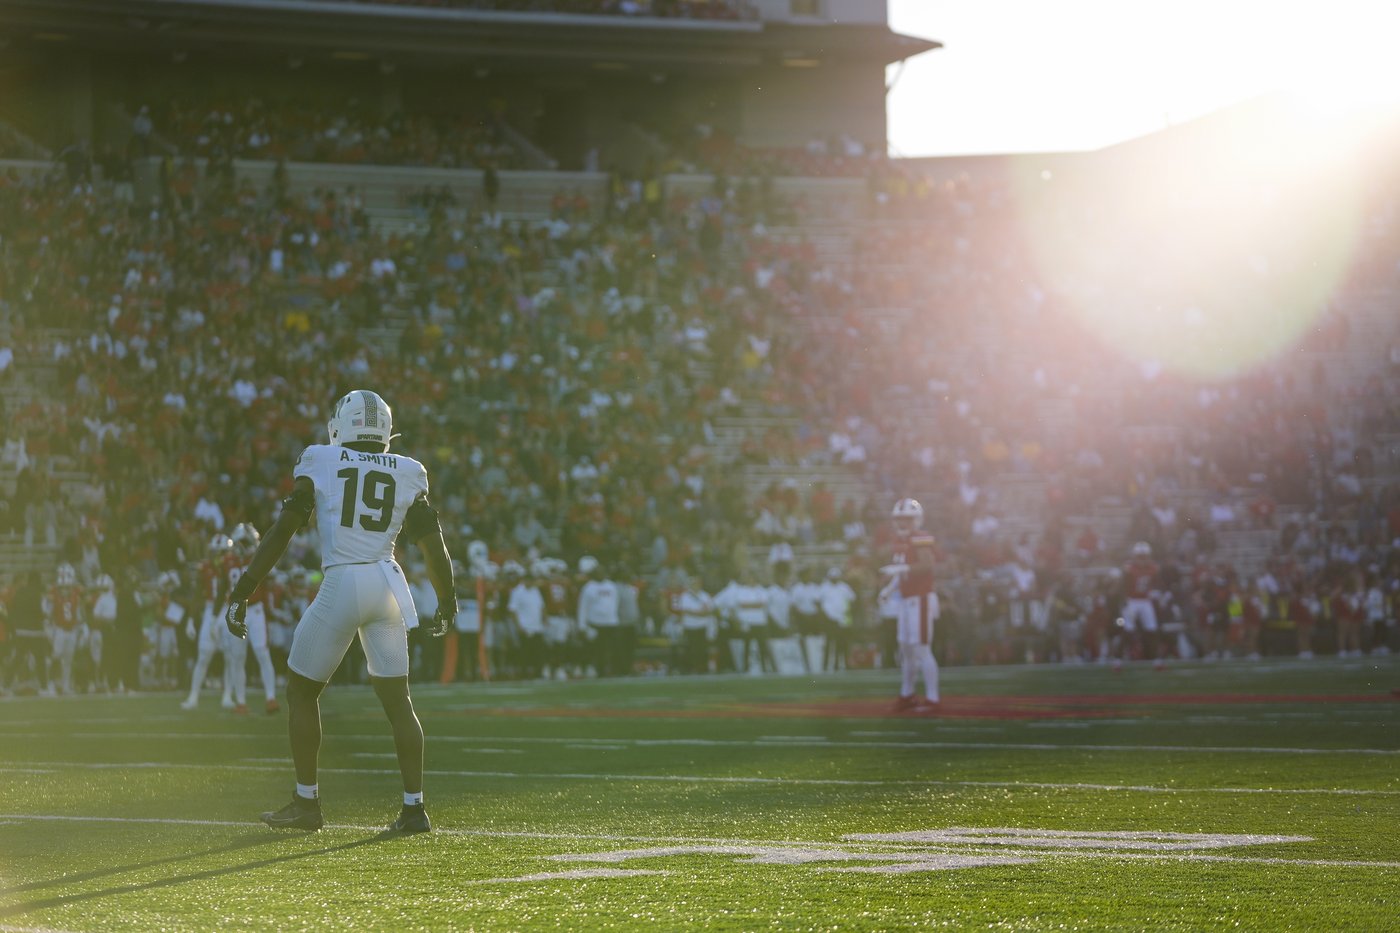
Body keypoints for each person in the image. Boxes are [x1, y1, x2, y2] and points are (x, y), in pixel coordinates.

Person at [224, 390, 456, 834]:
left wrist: (244, 587)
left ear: (340, 426)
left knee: (301, 692)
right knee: (399, 702)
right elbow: (433, 544)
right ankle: (414, 809)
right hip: (387, 585)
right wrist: (448, 601)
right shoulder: (408, 470)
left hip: (343, 582)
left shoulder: (321, 459)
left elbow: (284, 529)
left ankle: (306, 803)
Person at [883, 498, 939, 711]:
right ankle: (907, 694)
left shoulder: (920, 537)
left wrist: (902, 569)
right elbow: (901, 574)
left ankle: (933, 698)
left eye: (907, 518)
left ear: (916, 519)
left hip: (920, 598)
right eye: (899, 519)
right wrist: (888, 589)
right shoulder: (900, 541)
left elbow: (928, 564)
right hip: (906, 600)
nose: (902, 523)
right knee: (906, 650)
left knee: (922, 650)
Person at [182, 534, 240, 711]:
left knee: (230, 657)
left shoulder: (233, 567)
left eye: (220, 552)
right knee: (203, 655)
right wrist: (190, 619)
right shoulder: (205, 568)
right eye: (215, 552)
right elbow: (197, 593)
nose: (217, 556)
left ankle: (227, 696)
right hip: (210, 610)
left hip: (227, 610)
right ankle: (193, 697)